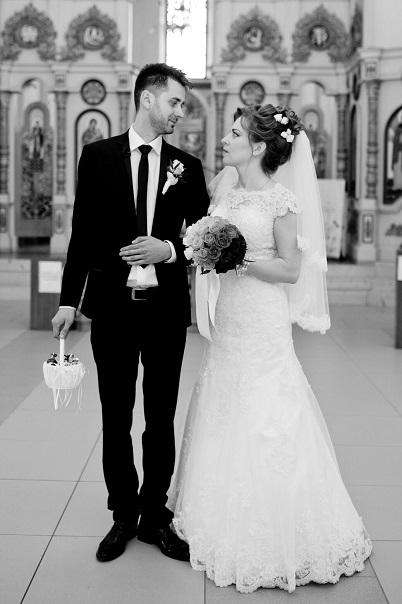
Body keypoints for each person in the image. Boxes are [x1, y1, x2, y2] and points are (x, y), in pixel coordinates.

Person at [168, 104, 372, 593]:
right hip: (229, 316)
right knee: (224, 400)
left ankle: (282, 526)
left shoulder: (281, 200)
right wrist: (200, 247)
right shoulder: (225, 188)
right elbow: (206, 238)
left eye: (234, 134)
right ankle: (213, 515)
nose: (225, 139)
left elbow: (290, 269)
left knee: (269, 409)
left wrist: (234, 260)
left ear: (258, 146)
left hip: (261, 316)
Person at [51, 63, 210, 563]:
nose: (180, 112)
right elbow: (82, 234)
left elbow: (205, 238)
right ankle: (123, 513)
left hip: (165, 313)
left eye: (182, 104)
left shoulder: (187, 166)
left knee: (160, 417)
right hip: (113, 311)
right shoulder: (98, 156)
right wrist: (68, 300)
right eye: (174, 102)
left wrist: (169, 250)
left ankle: (155, 516)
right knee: (115, 416)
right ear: (147, 99)